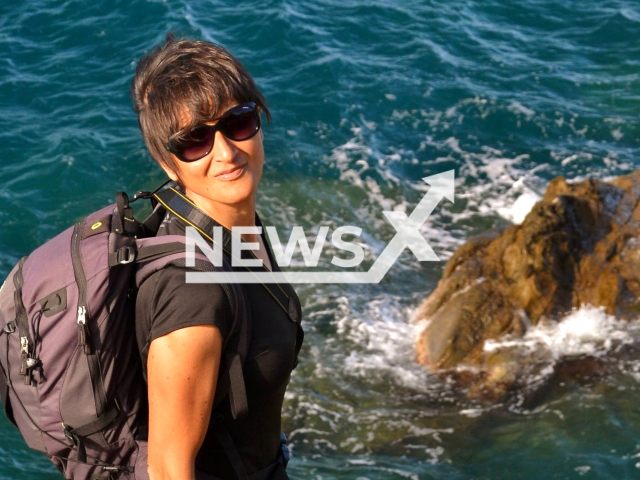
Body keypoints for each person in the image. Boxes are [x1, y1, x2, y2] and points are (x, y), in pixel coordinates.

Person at [130, 34, 302, 480]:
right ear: (169, 164)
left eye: (238, 122)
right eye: (194, 141)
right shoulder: (194, 294)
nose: (225, 152)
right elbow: (169, 469)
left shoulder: (236, 230)